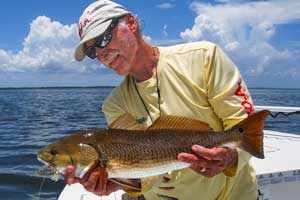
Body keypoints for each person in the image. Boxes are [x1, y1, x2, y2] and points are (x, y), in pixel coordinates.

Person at [65, 0, 258, 199]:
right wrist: (118, 183)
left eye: (102, 38)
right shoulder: (114, 105)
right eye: (91, 51)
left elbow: (246, 127)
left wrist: (231, 157)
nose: (100, 54)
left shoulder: (204, 58)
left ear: (131, 23)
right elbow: (140, 167)